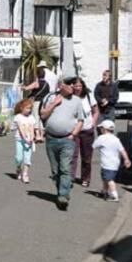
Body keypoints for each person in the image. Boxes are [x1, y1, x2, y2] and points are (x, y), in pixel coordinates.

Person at [39, 75, 86, 210]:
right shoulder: (50, 97)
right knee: (55, 170)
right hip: (51, 138)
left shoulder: (77, 101)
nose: (73, 86)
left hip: (67, 139)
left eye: (73, 84)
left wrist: (73, 134)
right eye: (69, 83)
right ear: (61, 86)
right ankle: (62, 190)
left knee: (65, 168)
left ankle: (63, 196)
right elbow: (42, 115)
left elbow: (80, 120)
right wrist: (54, 104)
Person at [71, 77, 100, 188]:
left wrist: (93, 122)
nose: (78, 88)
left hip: (87, 130)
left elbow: (96, 111)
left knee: (87, 157)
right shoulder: (69, 98)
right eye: (76, 86)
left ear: (82, 86)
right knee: (73, 155)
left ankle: (85, 178)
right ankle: (71, 177)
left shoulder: (88, 96)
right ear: (72, 87)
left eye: (80, 86)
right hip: (73, 130)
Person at [93, 119, 132, 202]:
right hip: (115, 163)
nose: (100, 130)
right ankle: (104, 192)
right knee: (106, 178)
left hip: (107, 163)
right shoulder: (116, 139)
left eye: (101, 128)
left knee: (109, 180)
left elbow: (93, 146)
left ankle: (114, 195)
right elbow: (122, 150)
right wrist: (126, 159)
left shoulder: (102, 138)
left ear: (104, 129)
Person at [12, 98, 38, 183]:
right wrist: (24, 138)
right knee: (19, 157)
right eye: (27, 108)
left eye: (30, 108)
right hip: (20, 139)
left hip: (29, 141)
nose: (28, 110)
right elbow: (20, 128)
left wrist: (31, 138)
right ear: (21, 108)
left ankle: (25, 174)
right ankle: (18, 168)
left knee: (27, 158)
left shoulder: (31, 118)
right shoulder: (18, 117)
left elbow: (31, 128)